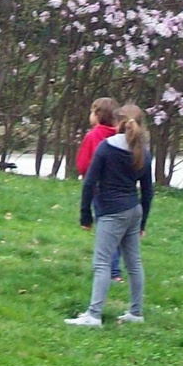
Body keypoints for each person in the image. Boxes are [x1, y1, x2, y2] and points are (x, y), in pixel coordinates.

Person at [66, 103, 153, 327]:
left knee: (102, 263)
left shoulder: (106, 148)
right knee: (134, 263)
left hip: (111, 212)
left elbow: (89, 183)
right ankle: (136, 312)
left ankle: (94, 315)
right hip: (134, 210)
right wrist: (143, 221)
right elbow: (147, 191)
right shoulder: (143, 152)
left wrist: (85, 215)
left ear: (117, 123)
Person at [76, 98, 123, 282]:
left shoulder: (93, 136)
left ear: (97, 114)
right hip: (118, 188)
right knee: (116, 232)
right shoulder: (120, 135)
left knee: (105, 230)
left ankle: (110, 271)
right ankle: (115, 269)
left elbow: (82, 164)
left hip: (98, 187)